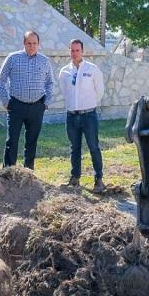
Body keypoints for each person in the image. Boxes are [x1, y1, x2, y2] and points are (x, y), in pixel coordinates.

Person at [0, 30, 54, 169]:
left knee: (32, 141)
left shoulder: (44, 60)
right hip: (16, 106)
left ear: (38, 44)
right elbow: (0, 81)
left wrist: (46, 103)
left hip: (37, 107)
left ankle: (28, 173)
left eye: (34, 43)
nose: (32, 46)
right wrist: (6, 101)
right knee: (12, 141)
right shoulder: (13, 58)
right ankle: (8, 173)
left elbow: (50, 82)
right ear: (24, 43)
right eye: (29, 43)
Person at [58, 39, 106, 193]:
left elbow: (99, 91)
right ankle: (75, 178)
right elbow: (65, 91)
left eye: (77, 50)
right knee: (75, 148)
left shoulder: (92, 69)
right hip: (71, 117)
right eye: (72, 50)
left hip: (88, 116)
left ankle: (98, 179)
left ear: (82, 51)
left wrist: (88, 105)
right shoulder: (64, 71)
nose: (74, 53)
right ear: (69, 51)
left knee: (93, 147)